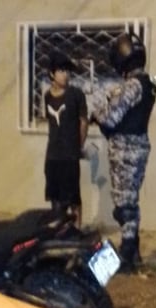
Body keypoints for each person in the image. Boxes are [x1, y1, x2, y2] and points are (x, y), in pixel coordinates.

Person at [89, 33, 156, 272]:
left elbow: (110, 119)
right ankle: (133, 251)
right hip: (138, 146)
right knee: (130, 202)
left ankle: (127, 255)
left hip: (125, 150)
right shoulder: (149, 83)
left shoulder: (132, 85)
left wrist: (97, 110)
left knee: (123, 206)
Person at [43, 51, 88, 227]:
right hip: (52, 155)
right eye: (61, 70)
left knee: (73, 197)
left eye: (67, 71)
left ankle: (77, 230)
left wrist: (78, 146)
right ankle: (59, 230)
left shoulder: (76, 94)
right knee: (55, 197)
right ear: (52, 73)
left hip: (70, 155)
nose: (66, 74)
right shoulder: (47, 96)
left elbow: (83, 122)